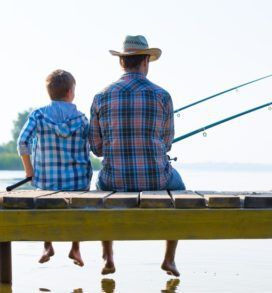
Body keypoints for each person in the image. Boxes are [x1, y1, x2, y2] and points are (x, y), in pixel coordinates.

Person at [89, 35, 186, 277]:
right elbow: (167, 142)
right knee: (181, 190)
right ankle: (169, 259)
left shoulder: (101, 96)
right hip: (158, 180)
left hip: (114, 181)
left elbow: (96, 147)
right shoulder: (162, 96)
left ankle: (108, 258)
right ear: (145, 62)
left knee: (100, 189)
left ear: (121, 62)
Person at [17, 69, 92, 266]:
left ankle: (47, 245)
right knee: (78, 208)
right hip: (78, 182)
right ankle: (75, 248)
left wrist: (29, 172)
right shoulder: (82, 119)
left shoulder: (38, 116)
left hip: (46, 182)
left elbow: (22, 142)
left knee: (46, 205)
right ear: (70, 92)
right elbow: (92, 146)